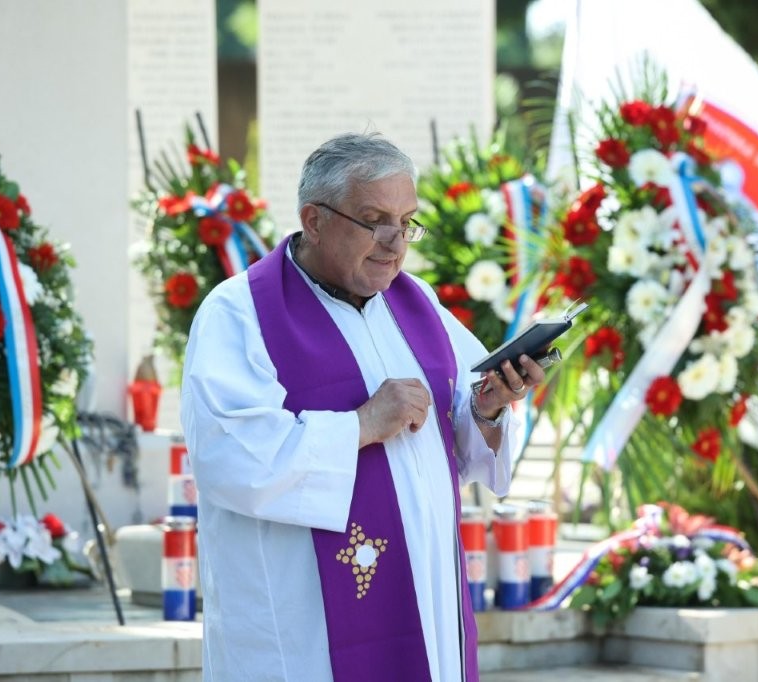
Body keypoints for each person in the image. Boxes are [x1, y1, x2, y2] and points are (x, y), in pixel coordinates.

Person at [180, 132, 546, 682]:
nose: (394, 243)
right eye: (374, 221)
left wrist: (489, 409)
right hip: (302, 626)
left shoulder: (418, 303)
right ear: (314, 220)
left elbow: (460, 438)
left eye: (406, 222)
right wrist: (362, 424)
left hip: (424, 595)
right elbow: (230, 457)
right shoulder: (239, 313)